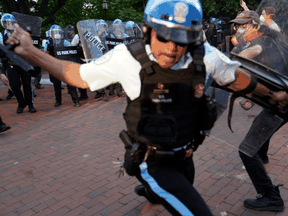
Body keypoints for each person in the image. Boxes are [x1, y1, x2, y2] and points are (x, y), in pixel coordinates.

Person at [6, 0, 288, 214]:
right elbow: (78, 76)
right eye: (163, 36)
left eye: (182, 39)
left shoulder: (206, 55)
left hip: (186, 154)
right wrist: (31, 51)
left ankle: (153, 195)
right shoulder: (126, 58)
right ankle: (153, 187)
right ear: (147, 29)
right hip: (151, 159)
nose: (171, 48)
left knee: (161, 199)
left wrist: (272, 94)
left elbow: (234, 78)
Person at [230, 10, 287, 212]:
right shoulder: (270, 39)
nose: (239, 29)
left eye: (243, 25)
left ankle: (271, 196)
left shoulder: (258, 44)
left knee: (246, 150)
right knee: (260, 129)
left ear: (255, 26)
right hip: (278, 103)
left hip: (281, 104)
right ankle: (262, 155)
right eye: (237, 25)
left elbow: (244, 59)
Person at [0, 13, 36, 114]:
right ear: (4, 24)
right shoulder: (1, 35)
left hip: (24, 63)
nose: (9, 24)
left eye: (11, 22)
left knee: (27, 85)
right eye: (7, 23)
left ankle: (30, 104)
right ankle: (21, 103)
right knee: (14, 86)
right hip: (11, 64)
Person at [44, 24, 81, 107]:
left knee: (70, 83)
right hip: (54, 66)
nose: (56, 34)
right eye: (54, 32)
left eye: (58, 32)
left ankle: (76, 100)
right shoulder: (48, 42)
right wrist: (48, 49)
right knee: (56, 85)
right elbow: (44, 55)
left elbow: (71, 51)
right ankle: (58, 101)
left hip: (64, 66)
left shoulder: (64, 42)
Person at [67, 24, 89, 101]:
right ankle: (84, 94)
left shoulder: (92, 36)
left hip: (90, 59)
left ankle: (100, 92)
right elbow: (72, 46)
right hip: (81, 60)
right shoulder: (77, 37)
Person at [93, 20, 109, 101]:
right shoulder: (94, 37)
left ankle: (101, 92)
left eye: (103, 26)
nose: (103, 28)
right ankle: (101, 93)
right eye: (101, 26)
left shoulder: (107, 35)